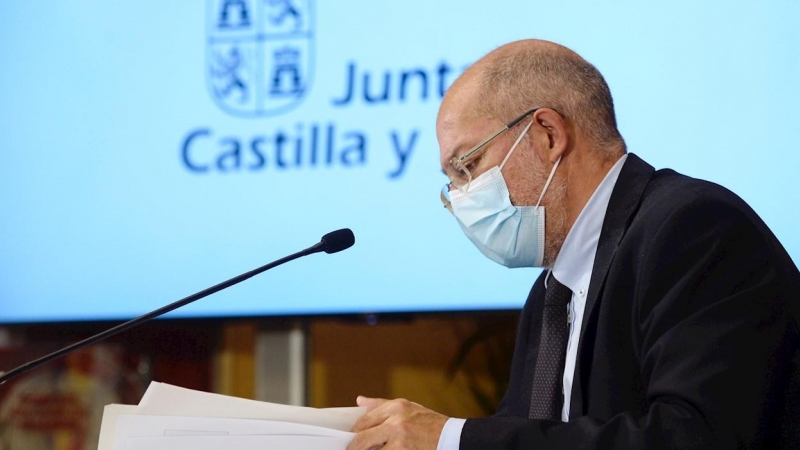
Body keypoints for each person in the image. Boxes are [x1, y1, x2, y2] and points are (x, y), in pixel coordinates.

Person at [346, 39, 800, 449]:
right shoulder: (550, 293)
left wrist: (451, 439)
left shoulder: (691, 230)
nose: (460, 197)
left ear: (547, 134)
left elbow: (694, 436)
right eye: (451, 182)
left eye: (466, 165)